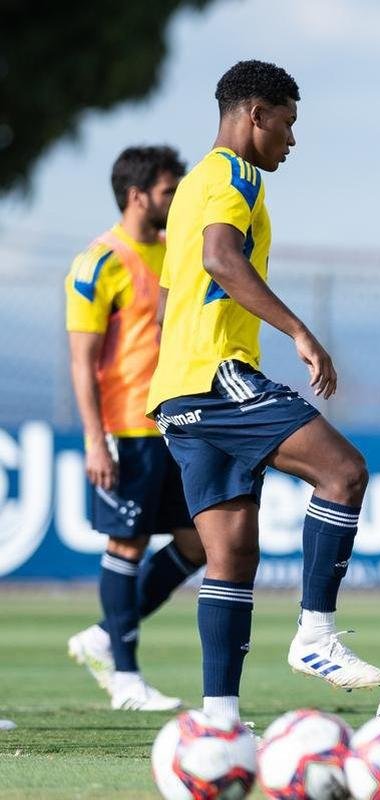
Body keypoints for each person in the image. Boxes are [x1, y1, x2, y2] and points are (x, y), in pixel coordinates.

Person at [147, 60, 380, 722]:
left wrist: (172, 389)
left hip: (179, 389)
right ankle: (316, 636)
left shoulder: (194, 183)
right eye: (287, 123)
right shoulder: (231, 176)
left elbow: (171, 298)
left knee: (231, 553)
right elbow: (222, 258)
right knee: (343, 472)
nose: (292, 139)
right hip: (215, 375)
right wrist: (300, 332)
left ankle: (220, 720)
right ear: (256, 115)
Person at [64, 146, 202, 712]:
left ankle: (102, 635)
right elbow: (82, 361)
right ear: (137, 194)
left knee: (198, 542)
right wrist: (95, 438)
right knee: (127, 542)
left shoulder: (172, 250)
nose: (175, 201)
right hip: (127, 428)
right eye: (169, 192)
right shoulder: (100, 263)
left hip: (176, 419)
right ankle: (124, 676)